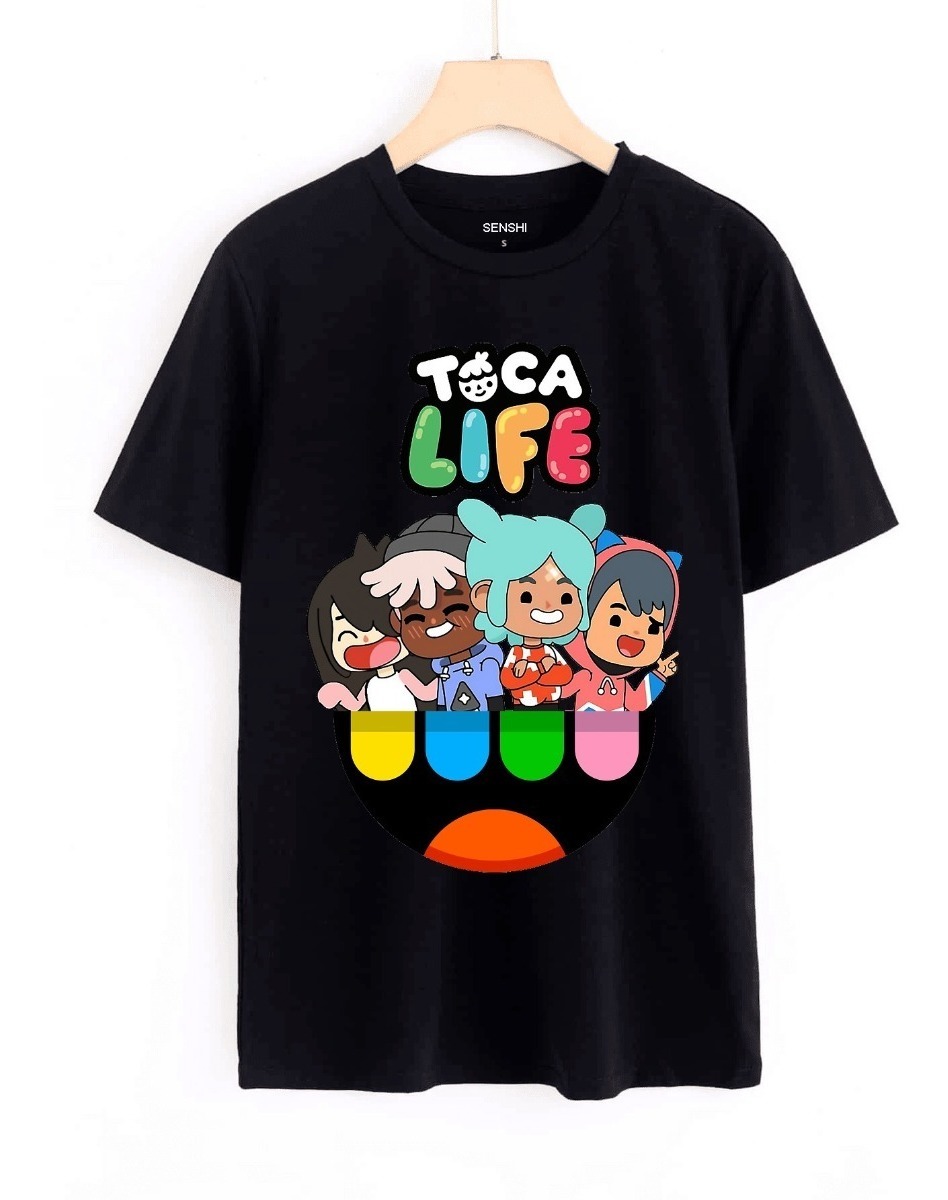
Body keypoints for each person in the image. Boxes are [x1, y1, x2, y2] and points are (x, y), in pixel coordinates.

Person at [457, 499, 605, 708]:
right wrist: (538, 671)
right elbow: (508, 679)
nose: (548, 606)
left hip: (551, 704)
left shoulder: (551, 652)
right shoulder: (517, 653)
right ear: (485, 596)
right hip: (521, 705)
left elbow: (564, 675)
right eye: (526, 597)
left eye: (566, 598)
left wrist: (540, 671)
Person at [360, 515, 505, 712]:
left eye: (453, 606)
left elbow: (495, 695)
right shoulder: (441, 668)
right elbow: (442, 703)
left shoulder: (487, 661)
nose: (435, 620)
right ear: (397, 621)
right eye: (415, 617)